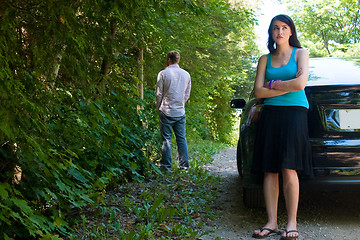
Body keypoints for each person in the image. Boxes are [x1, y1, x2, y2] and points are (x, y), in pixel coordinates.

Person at [251, 14, 312, 240]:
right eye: (275, 28)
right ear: (271, 33)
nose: (280, 32)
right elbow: (258, 92)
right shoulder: (264, 59)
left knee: (289, 167)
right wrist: (289, 85)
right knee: (270, 169)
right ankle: (272, 222)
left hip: (295, 113)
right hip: (271, 114)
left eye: (284, 27)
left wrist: (274, 85)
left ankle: (292, 223)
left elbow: (301, 84)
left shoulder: (301, 53)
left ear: (291, 31)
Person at [155, 50, 191, 173]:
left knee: (166, 139)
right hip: (180, 112)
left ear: (169, 59)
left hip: (166, 110)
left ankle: (166, 167)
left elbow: (159, 94)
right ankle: (184, 167)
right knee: (181, 139)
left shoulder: (163, 74)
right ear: (178, 60)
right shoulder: (186, 74)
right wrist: (181, 103)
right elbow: (187, 94)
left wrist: (158, 106)